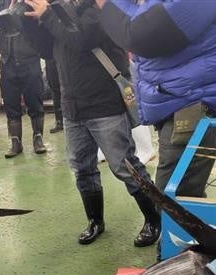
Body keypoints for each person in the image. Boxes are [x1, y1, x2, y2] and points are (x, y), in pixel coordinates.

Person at [23, 0, 160, 247]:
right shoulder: (59, 10)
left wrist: (47, 16)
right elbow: (47, 50)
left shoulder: (97, 7)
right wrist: (30, 21)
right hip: (72, 105)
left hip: (103, 103)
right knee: (82, 168)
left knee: (124, 165)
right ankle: (95, 220)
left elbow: (81, 39)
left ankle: (154, 218)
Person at [97, 0, 216, 198]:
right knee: (182, 197)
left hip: (194, 102)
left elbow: (144, 35)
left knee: (174, 201)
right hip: (184, 97)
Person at [0, 1, 47, 158]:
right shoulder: (0, 2)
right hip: (7, 60)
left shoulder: (31, 2)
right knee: (10, 101)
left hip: (29, 57)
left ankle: (38, 138)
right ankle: (15, 142)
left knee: (35, 99)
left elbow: (41, 20)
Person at [45, 58, 63, 133]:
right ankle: (59, 121)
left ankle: (60, 121)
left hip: (60, 59)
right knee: (55, 90)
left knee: (58, 90)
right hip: (51, 60)